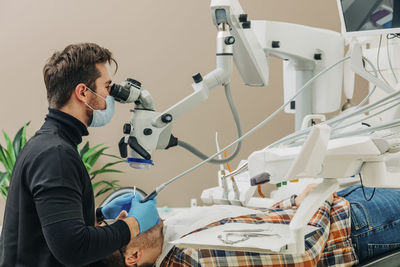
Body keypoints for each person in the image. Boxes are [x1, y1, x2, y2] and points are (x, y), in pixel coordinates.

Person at [0, 43, 159, 267]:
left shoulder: (46, 143)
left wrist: (99, 215)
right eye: (107, 86)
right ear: (83, 92)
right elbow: (74, 248)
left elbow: (52, 228)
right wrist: (134, 225)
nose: (109, 95)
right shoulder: (55, 155)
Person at [102, 184, 400, 266]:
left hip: (334, 205)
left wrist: (298, 200)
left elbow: (258, 223)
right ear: (133, 256)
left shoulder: (171, 232)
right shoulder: (191, 258)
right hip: (352, 226)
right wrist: (319, 200)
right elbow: (303, 255)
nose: (126, 217)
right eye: (123, 226)